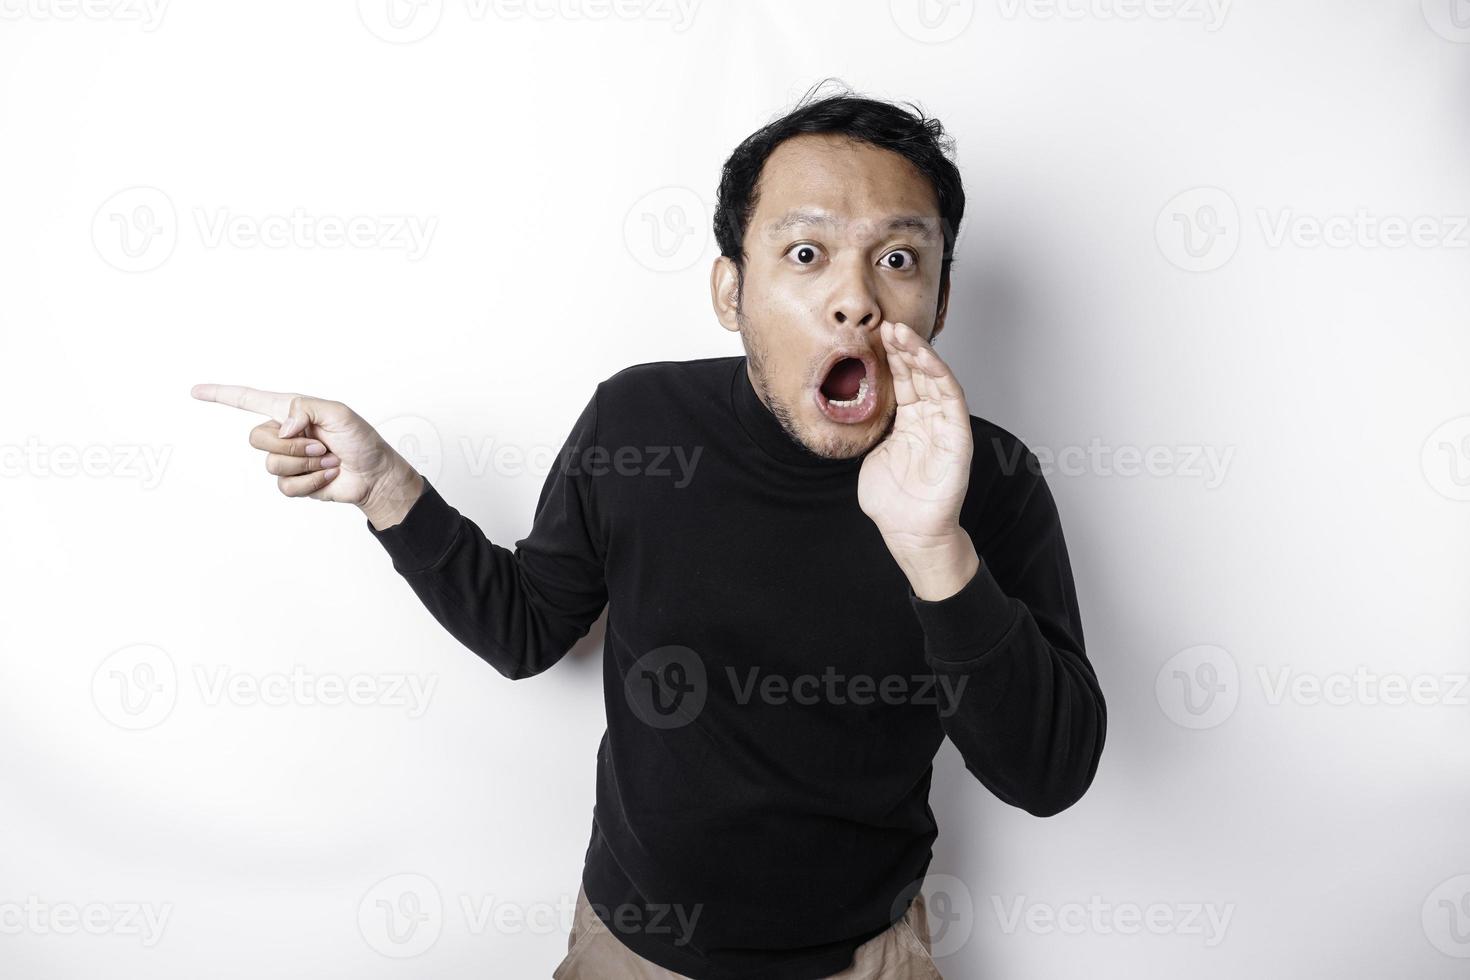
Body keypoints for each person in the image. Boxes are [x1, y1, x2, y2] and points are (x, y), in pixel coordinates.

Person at [192, 81, 1107, 980]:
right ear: (729, 289)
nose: (856, 300)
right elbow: (527, 632)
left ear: (941, 303)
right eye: (804, 254)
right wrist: (388, 488)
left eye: (899, 260)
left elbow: (1049, 774)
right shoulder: (638, 426)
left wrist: (935, 549)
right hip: (630, 950)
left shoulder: (991, 480)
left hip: (870, 955)